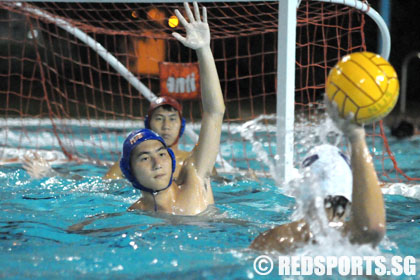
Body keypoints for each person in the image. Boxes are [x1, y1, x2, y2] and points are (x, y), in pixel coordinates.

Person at [119, 2, 225, 215]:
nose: (158, 163)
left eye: (161, 154)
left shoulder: (194, 177)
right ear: (129, 172)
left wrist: (204, 50)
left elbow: (214, 112)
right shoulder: (133, 214)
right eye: (145, 158)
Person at [250, 98, 386, 253]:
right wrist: (356, 136)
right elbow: (373, 229)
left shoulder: (276, 238)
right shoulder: (352, 237)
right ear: (351, 198)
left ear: (302, 193)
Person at [103, 96, 190, 180]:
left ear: (181, 125)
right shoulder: (131, 164)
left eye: (172, 119)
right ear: (148, 124)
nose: (166, 126)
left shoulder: (192, 161)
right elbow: (105, 188)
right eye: (159, 119)